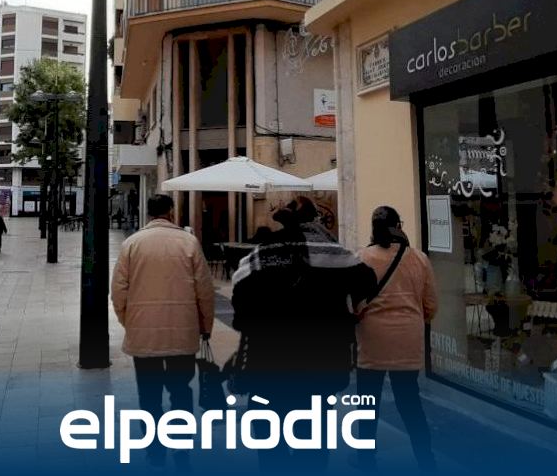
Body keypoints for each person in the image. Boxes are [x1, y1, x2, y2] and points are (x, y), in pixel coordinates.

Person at [230, 196, 377, 473]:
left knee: (270, 443)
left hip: (267, 365)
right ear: (315, 220)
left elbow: (240, 300)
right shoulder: (334, 253)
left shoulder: (262, 253)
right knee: (313, 443)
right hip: (320, 366)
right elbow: (368, 281)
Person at [111, 194, 215, 469]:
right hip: (182, 332)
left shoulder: (132, 244)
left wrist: (129, 321)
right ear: (171, 211)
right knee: (181, 391)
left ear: (148, 213)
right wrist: (205, 326)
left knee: (149, 394)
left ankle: (154, 450)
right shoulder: (189, 242)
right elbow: (205, 290)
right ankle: (181, 448)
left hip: (143, 333)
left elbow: (118, 291)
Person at [352, 205, 439, 472]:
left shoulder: (362, 257)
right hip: (407, 338)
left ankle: (366, 460)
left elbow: (352, 303)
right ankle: (426, 460)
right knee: (410, 402)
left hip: (372, 339)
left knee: (367, 404)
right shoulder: (419, 258)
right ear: (399, 226)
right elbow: (431, 305)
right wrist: (416, 318)